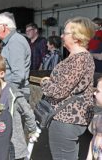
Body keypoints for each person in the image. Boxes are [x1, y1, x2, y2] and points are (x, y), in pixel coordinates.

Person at [40, 17, 95, 160]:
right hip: (67, 119)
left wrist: (45, 82)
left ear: (76, 37)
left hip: (66, 119)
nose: (61, 36)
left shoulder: (80, 59)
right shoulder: (77, 57)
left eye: (65, 33)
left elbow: (59, 91)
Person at [0, 52, 38, 160]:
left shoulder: (13, 94)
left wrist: (32, 130)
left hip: (12, 145)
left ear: (1, 74)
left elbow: (28, 112)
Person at [0, 12, 31, 99]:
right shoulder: (11, 41)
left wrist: (6, 94)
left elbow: (18, 75)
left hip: (15, 94)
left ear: (3, 27)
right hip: (13, 92)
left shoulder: (15, 42)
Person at [87, 78, 102, 160]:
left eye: (98, 91)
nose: (94, 93)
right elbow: (93, 139)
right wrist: (89, 156)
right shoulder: (97, 117)